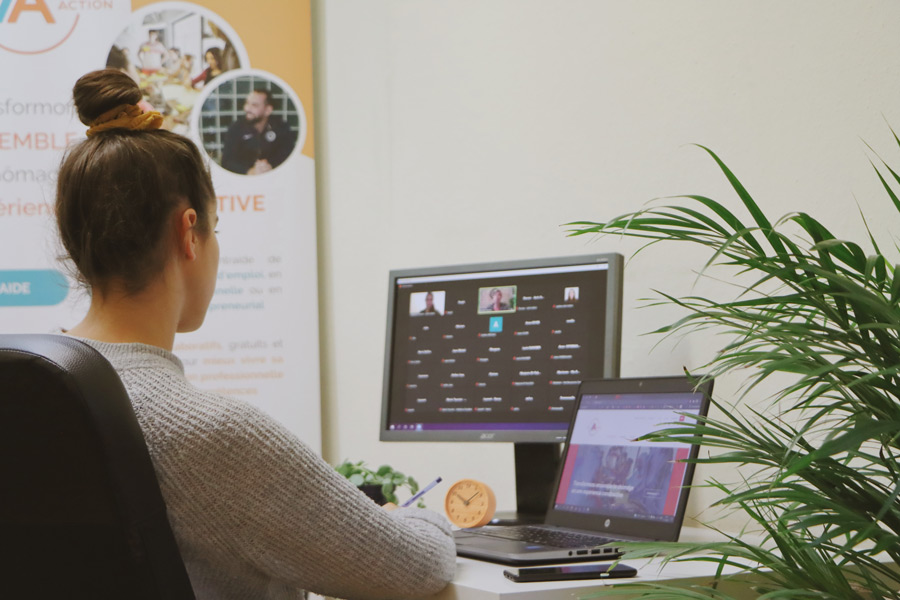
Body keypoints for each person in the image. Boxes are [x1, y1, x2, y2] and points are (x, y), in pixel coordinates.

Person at [55, 69, 455, 600]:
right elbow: (415, 570)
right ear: (188, 233)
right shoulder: (210, 433)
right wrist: (422, 521)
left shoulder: (31, 393)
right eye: (215, 231)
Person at [221, 88, 295, 175]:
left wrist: (270, 166)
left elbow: (288, 156)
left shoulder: (281, 127)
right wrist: (249, 171)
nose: (247, 108)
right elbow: (226, 162)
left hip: (274, 178)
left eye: (254, 105)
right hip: (243, 181)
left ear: (268, 110)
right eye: (247, 103)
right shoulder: (236, 128)